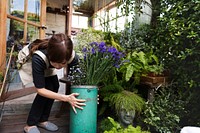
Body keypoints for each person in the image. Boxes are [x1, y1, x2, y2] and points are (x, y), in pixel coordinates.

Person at [23, 33, 86, 133]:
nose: (59, 66)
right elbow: (40, 90)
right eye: (56, 62)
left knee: (54, 86)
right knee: (45, 91)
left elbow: (76, 79)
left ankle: (43, 120)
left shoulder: (72, 57)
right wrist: (65, 98)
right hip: (29, 60)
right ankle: (30, 124)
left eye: (63, 63)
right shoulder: (38, 57)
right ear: (50, 55)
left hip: (48, 62)